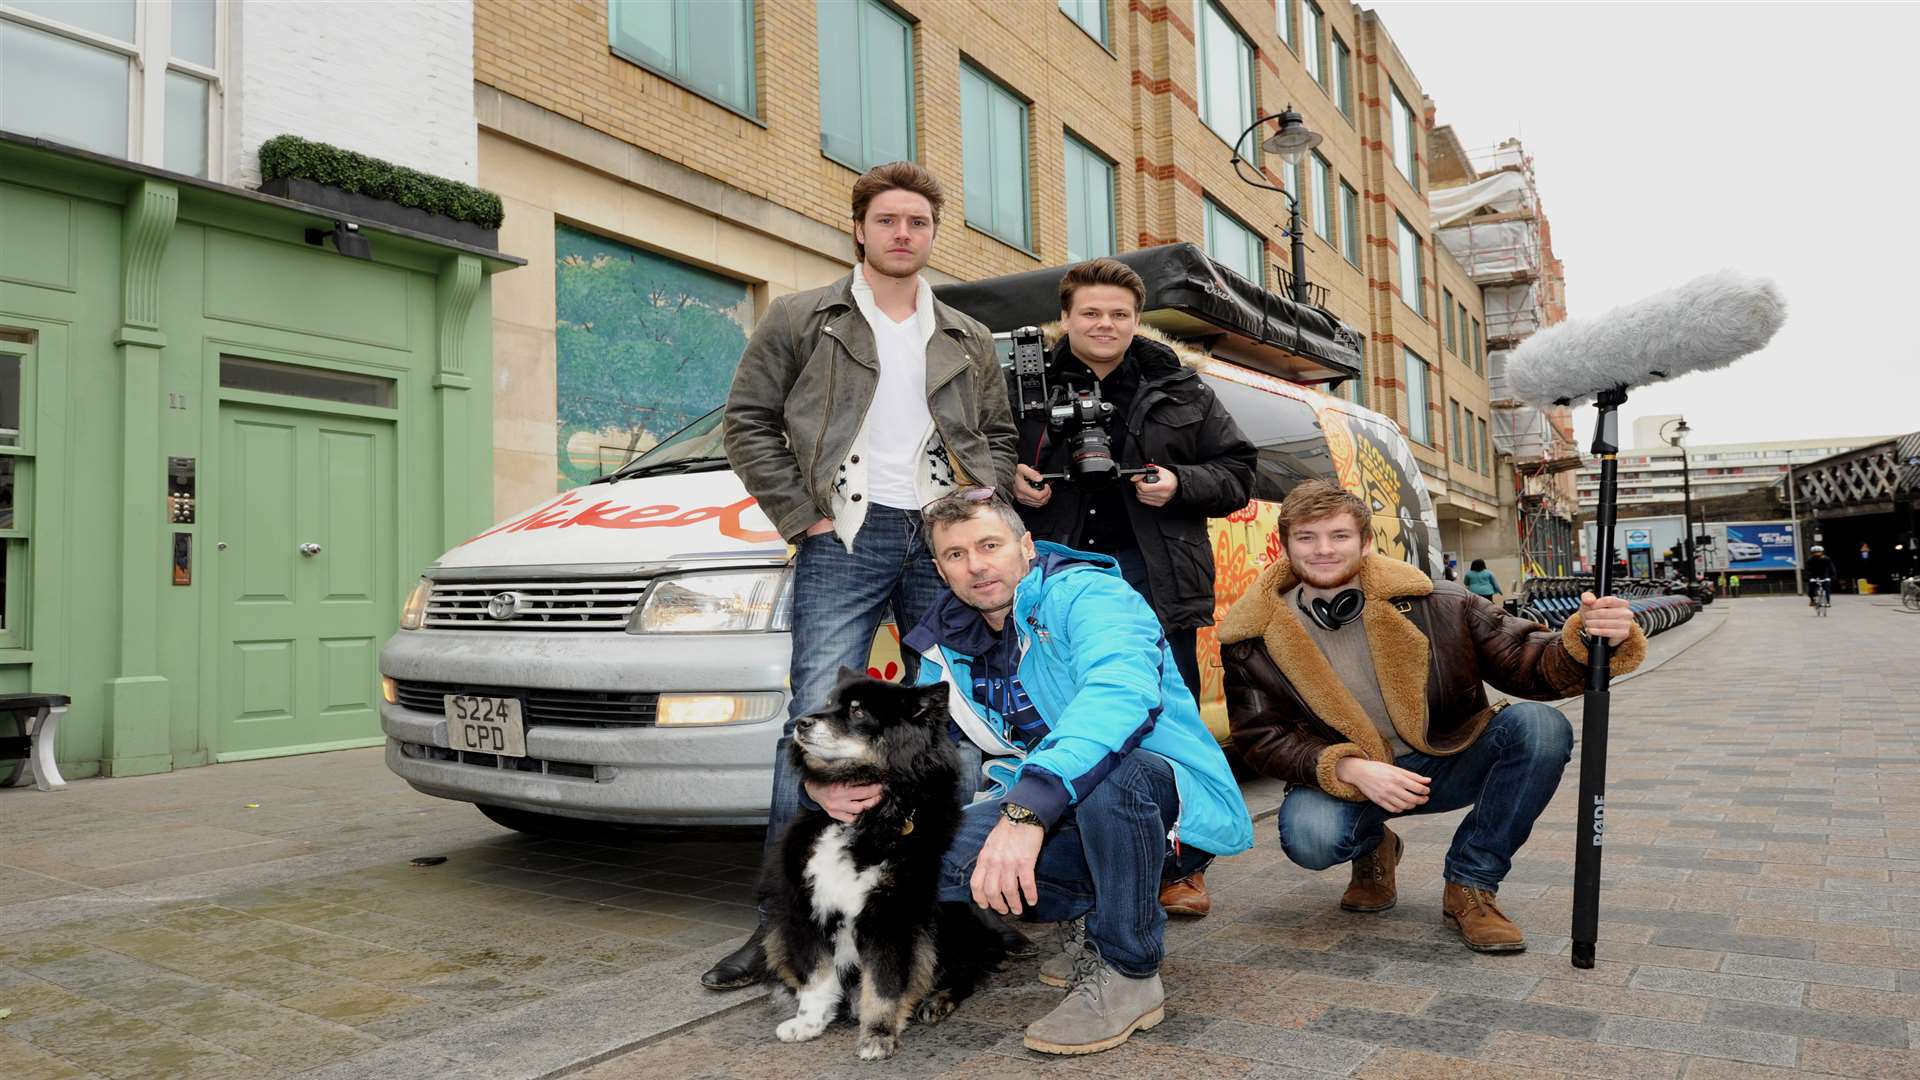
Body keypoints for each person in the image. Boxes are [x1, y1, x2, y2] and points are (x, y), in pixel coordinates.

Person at [707, 161, 1018, 991]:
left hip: (941, 536)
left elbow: (994, 431)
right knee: (814, 714)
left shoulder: (965, 335)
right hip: (844, 533)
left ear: (932, 232)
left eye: (918, 222)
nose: (904, 234)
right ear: (860, 228)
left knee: (953, 713)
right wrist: (801, 513)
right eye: (888, 221)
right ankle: (781, 930)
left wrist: (980, 518)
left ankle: (942, 913)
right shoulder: (803, 317)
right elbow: (747, 421)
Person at [1220, 481, 1645, 953]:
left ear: (1365, 542)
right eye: (1307, 537)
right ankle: (1373, 848)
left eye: (1339, 536)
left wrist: (1590, 639)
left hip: (1450, 758)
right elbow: (1259, 736)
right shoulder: (1253, 637)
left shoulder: (1439, 602)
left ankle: (1471, 884)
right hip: (1355, 779)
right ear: (1285, 545)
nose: (1323, 550)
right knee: (1310, 837)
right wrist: (1346, 767)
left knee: (1541, 728)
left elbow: (1527, 660)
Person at [904, 488, 1254, 1054]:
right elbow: (921, 745)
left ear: (1025, 545)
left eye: (989, 545)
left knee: (1113, 774)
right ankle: (1090, 912)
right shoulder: (945, 643)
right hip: (1051, 803)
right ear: (942, 570)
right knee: (927, 858)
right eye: (955, 555)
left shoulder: (1089, 595)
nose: (976, 565)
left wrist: (1026, 809)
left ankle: (1128, 971)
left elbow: (1118, 694)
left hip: (1166, 808)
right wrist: (854, 784)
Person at [1006, 258, 1255, 918]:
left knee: (1172, 722)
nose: (1105, 324)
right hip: (1054, 576)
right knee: (1059, 712)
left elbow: (1239, 472)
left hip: (1154, 575)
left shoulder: (1182, 388)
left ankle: (1186, 865)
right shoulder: (1022, 386)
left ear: (1136, 319)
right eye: (1090, 312)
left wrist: (1181, 484)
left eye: (1118, 313)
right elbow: (972, 455)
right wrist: (1010, 478)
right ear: (1065, 318)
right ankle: (1075, 857)